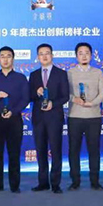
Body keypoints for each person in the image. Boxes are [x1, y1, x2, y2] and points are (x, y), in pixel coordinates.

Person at [0, 46, 29, 193]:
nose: (5, 59)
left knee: (14, 153)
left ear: (13, 59)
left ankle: (15, 185)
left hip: (14, 119)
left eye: (8, 56)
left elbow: (25, 99)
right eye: (2, 56)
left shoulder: (20, 78)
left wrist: (13, 111)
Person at [29, 43, 70, 193]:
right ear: (37, 57)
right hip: (39, 118)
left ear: (52, 55)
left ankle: (55, 183)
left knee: (56, 150)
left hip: (54, 118)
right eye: (41, 54)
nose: (44, 56)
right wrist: (36, 92)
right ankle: (43, 182)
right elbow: (29, 96)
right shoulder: (34, 75)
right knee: (40, 151)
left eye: (47, 53)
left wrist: (53, 103)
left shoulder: (61, 74)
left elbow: (65, 96)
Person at [67, 42, 103, 190]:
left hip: (93, 116)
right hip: (75, 116)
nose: (84, 56)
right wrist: (74, 99)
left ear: (91, 55)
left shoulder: (98, 72)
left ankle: (95, 181)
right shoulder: (70, 73)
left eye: (87, 53)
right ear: (76, 56)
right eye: (80, 53)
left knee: (94, 150)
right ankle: (75, 181)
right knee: (74, 150)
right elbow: (65, 92)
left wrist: (92, 103)